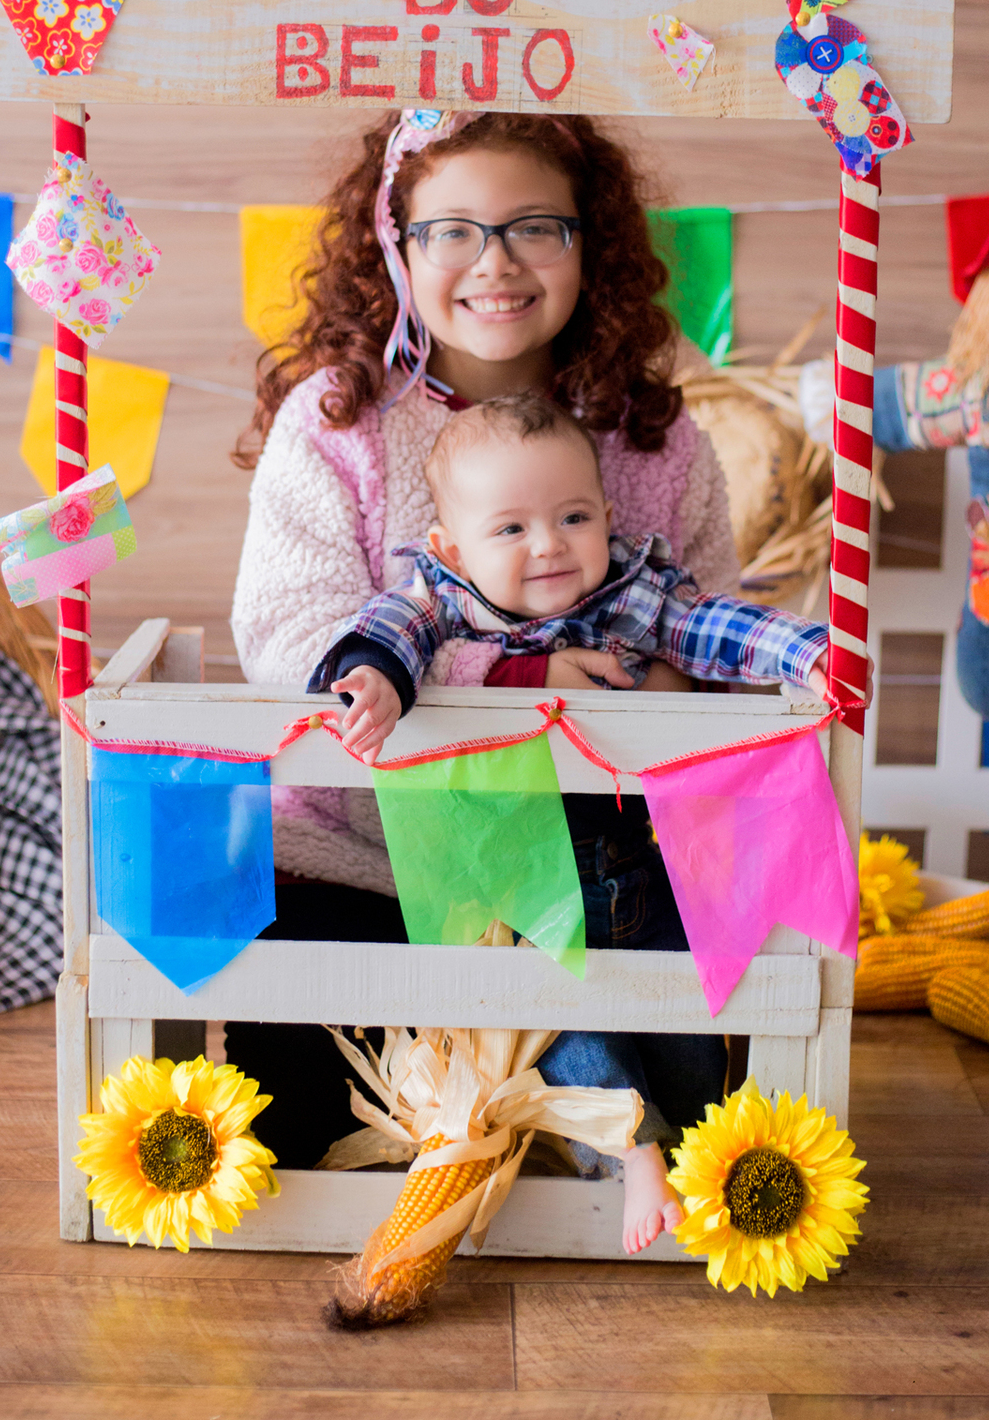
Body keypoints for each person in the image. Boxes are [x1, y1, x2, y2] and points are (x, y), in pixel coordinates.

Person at [229, 106, 742, 1252]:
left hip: (599, 868)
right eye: (451, 229)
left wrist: (657, 691)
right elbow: (288, 630)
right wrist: (515, 672)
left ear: (589, 245)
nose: (494, 263)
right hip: (359, 859)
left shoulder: (654, 441)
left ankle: (624, 1147)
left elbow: (705, 628)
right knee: (322, 1146)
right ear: (395, 248)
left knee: (695, 1110)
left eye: (534, 228)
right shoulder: (342, 424)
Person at [314, 391, 830, 754]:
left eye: (574, 518)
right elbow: (391, 624)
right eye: (511, 529)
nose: (548, 545)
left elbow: (717, 624)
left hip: (617, 826)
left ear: (606, 522)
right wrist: (378, 675)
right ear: (454, 552)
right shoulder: (445, 597)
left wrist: (804, 653)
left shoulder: (633, 592)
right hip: (486, 828)